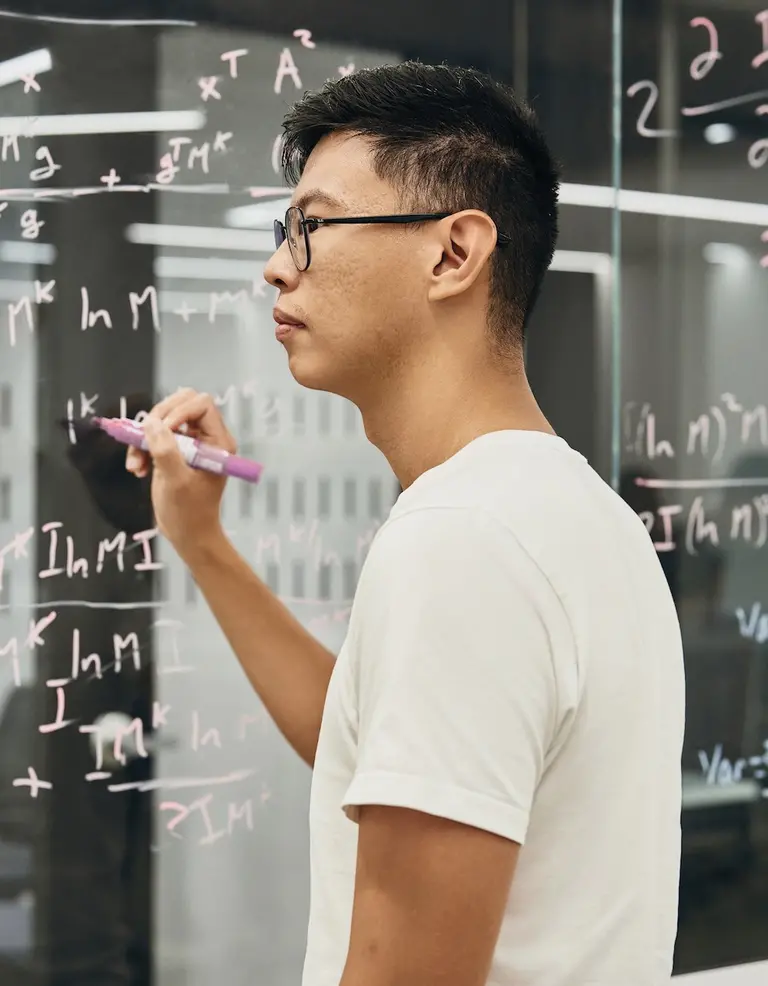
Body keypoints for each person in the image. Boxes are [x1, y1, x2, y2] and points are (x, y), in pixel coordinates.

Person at [126, 62, 685, 986]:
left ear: (454, 253)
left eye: (312, 225)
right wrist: (203, 544)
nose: (276, 264)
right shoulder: (574, 514)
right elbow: (370, 744)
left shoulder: (464, 541)